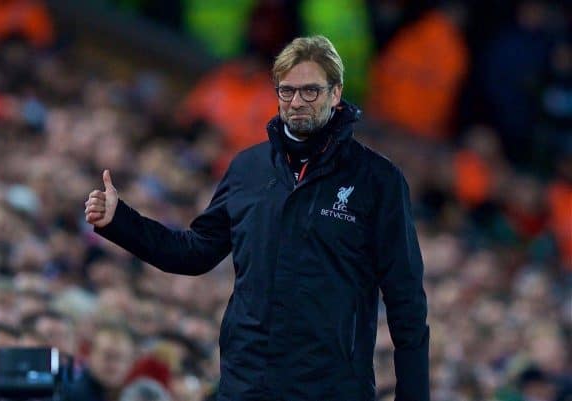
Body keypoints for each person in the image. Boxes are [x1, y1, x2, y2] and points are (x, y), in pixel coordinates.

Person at [85, 35, 429, 401]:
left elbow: (405, 300)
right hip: (246, 382)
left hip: (331, 386)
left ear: (336, 92)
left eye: (310, 91)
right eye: (287, 91)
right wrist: (120, 220)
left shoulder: (378, 180)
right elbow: (193, 251)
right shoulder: (247, 168)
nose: (297, 102)